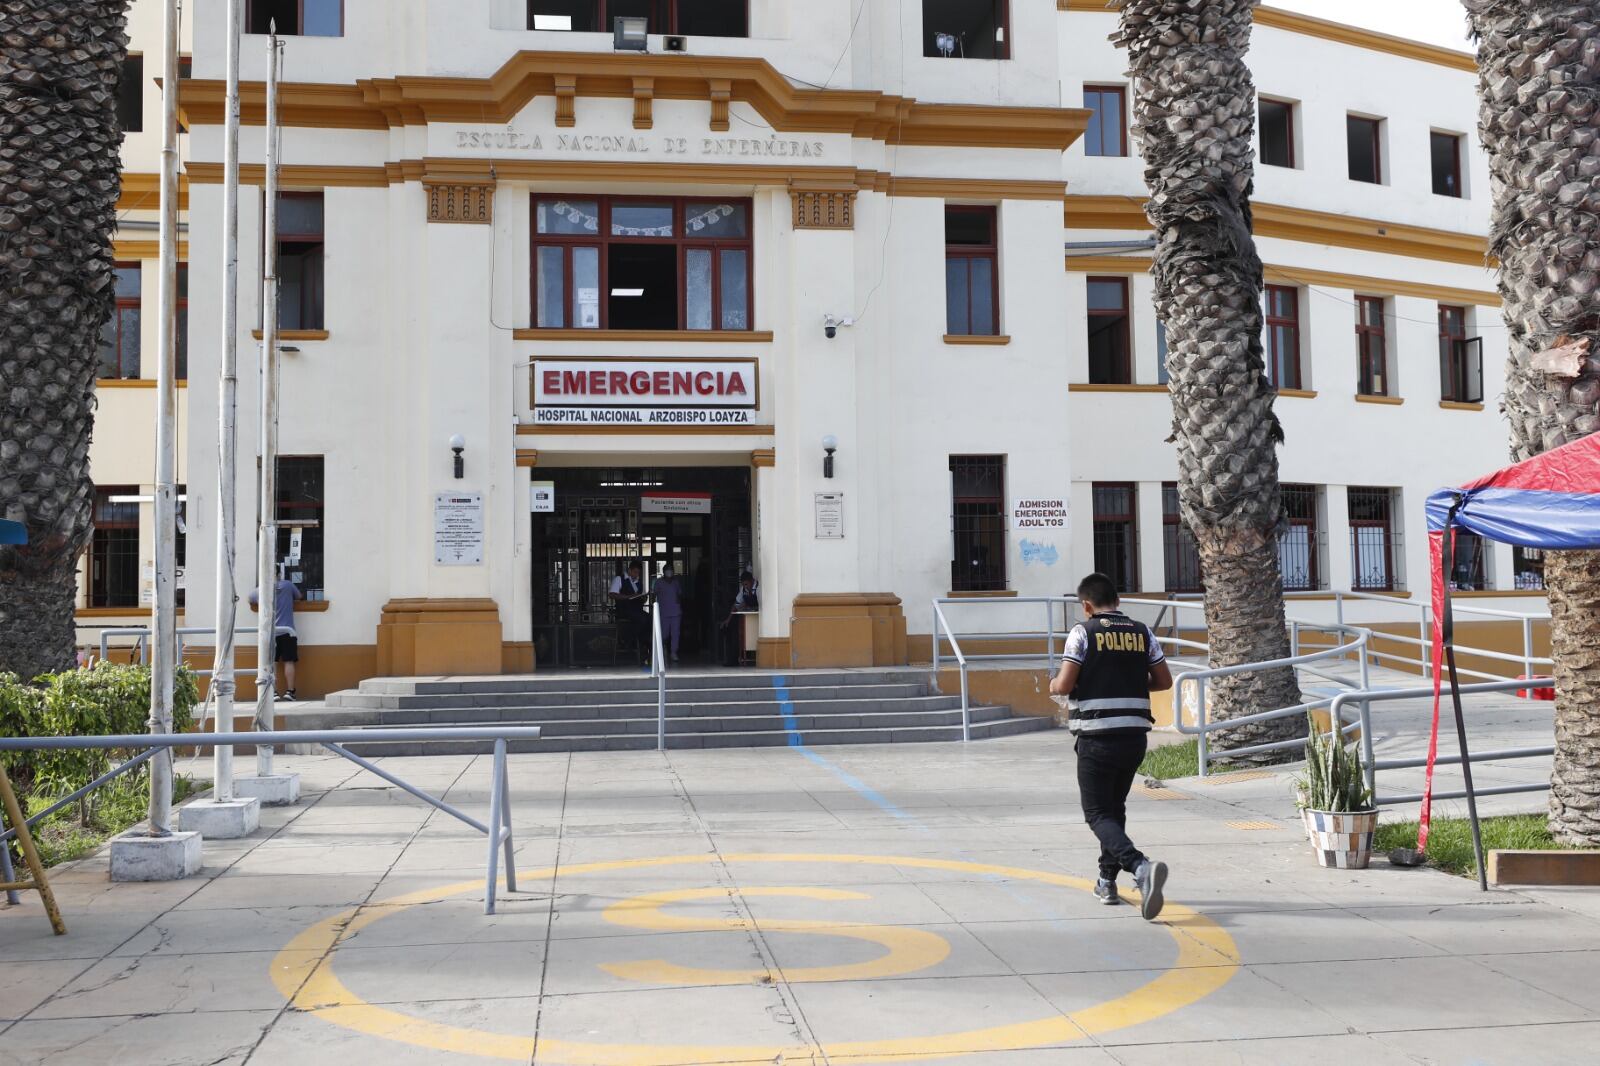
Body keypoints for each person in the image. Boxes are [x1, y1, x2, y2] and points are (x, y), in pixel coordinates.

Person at [1050, 572, 1173, 920]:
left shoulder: (1083, 632)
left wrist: (1053, 685)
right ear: (1117, 601)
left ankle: (1140, 866)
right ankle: (1106, 880)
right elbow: (1163, 681)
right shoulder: (1142, 632)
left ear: (1086, 605)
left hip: (1097, 736)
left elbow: (1065, 683)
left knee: (1097, 813)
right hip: (1135, 736)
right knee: (1113, 809)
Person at [248, 567, 304, 700]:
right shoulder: (288, 585)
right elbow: (300, 597)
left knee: (271, 662)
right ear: (279, 574)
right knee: (289, 662)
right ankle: (290, 692)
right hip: (287, 631)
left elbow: (250, 600)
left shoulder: (261, 589)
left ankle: (273, 692)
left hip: (270, 632)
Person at [609, 561, 649, 664]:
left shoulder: (639, 582)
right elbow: (612, 594)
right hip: (624, 610)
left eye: (638, 573)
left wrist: (643, 598)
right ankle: (632, 642)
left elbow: (641, 598)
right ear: (629, 570)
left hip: (637, 610)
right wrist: (628, 597)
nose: (637, 575)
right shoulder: (619, 579)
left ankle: (634, 642)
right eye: (635, 572)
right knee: (643, 619)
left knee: (650, 619)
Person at [653, 563, 685, 663]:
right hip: (663, 613)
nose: (669, 571)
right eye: (667, 570)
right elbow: (654, 595)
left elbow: (680, 595)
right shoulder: (658, 582)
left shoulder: (676, 582)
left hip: (676, 612)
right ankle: (661, 651)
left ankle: (673, 653)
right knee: (664, 634)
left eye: (671, 569)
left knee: (675, 634)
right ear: (663, 572)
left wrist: (679, 605)